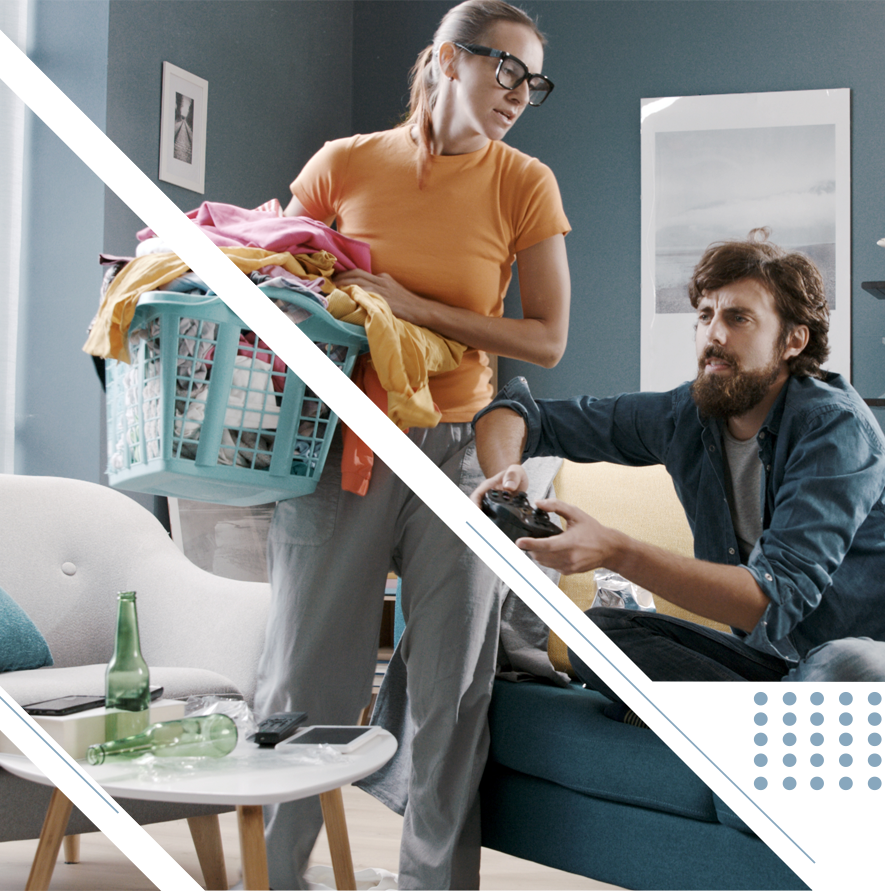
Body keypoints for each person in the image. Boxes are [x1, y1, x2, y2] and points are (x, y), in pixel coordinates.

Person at [252, 2, 571, 889]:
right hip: (339, 445)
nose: (518, 93)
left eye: (532, 81)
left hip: (461, 460)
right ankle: (277, 874)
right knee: (304, 684)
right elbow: (279, 275)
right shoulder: (346, 163)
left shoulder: (524, 182)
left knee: (450, 695)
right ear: (445, 59)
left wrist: (411, 305)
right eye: (504, 68)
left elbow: (546, 338)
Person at [472, 231, 885, 703]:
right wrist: (503, 480)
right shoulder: (685, 415)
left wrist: (618, 550)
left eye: (738, 318)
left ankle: (723, 727)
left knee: (843, 665)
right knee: (595, 635)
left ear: (793, 341)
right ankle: (767, 729)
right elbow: (515, 414)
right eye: (704, 315)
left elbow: (769, 601)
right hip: (785, 665)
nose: (713, 334)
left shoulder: (833, 428)